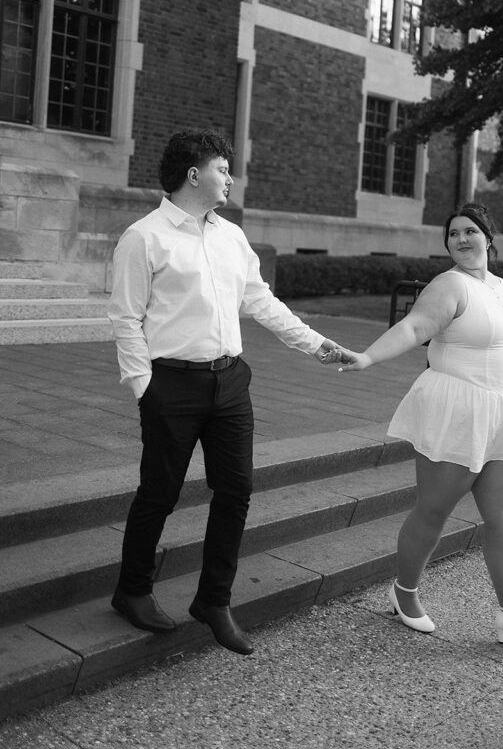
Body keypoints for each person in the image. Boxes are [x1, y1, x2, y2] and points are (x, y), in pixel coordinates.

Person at [107, 129, 344, 655]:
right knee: (159, 493)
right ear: (194, 174)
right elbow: (125, 319)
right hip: (172, 384)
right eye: (222, 167)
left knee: (236, 491)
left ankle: (213, 600)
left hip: (231, 382)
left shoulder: (231, 236)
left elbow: (262, 302)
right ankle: (132, 590)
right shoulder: (144, 237)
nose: (230, 177)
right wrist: (145, 389)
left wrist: (317, 345)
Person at [336, 203, 503, 647]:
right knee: (433, 510)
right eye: (453, 233)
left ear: (488, 238)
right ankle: (404, 592)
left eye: (470, 231)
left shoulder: (500, 285)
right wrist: (367, 357)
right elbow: (415, 326)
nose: (461, 239)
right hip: (457, 409)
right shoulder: (448, 285)